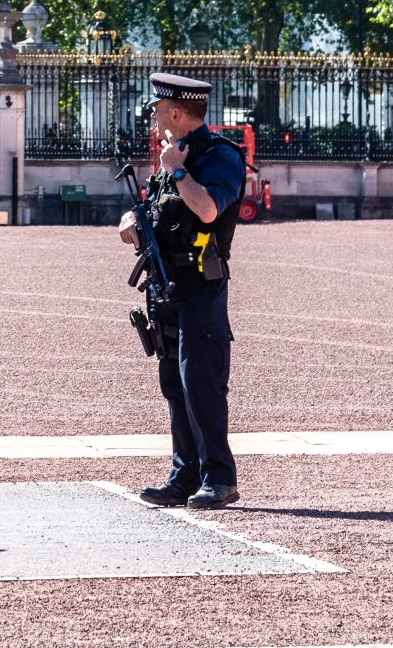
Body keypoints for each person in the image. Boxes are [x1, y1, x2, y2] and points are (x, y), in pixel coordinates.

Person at [117, 71, 245, 509]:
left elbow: (208, 210)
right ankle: (183, 475)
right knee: (173, 383)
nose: (152, 117)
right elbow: (161, 212)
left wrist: (178, 171)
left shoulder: (218, 156)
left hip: (200, 286)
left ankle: (219, 478)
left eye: (156, 110)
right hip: (164, 286)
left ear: (175, 112)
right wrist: (134, 223)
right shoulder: (170, 157)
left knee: (201, 382)